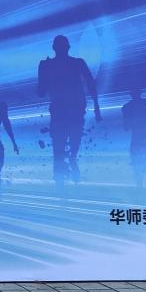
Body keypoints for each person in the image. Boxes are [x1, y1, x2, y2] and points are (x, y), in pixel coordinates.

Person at [36, 35, 100, 184]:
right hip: (76, 108)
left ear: (54, 48)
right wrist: (97, 107)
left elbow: (41, 92)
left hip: (59, 109)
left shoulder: (46, 65)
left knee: (59, 143)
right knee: (75, 136)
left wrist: (45, 73)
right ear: (68, 47)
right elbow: (91, 83)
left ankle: (60, 178)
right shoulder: (78, 63)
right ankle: (72, 160)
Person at [120, 87, 146, 187]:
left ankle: (139, 177)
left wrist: (127, 126)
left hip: (137, 134)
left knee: (136, 155)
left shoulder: (127, 106)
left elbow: (126, 124)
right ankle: (143, 172)